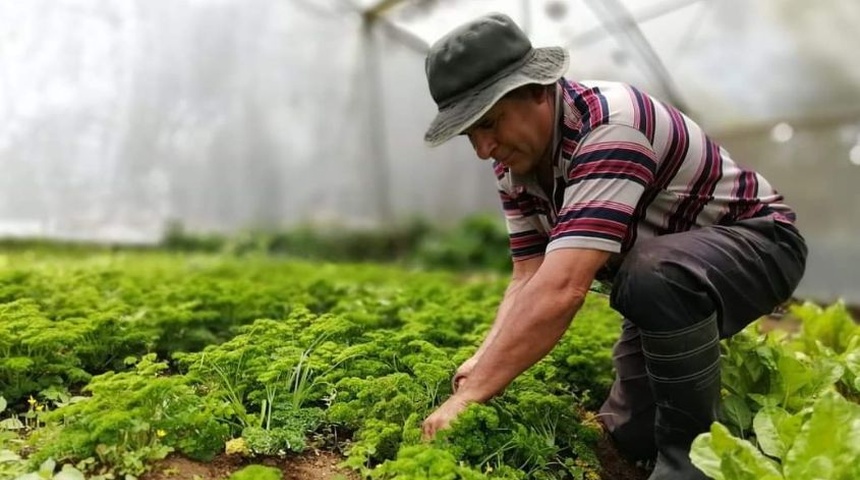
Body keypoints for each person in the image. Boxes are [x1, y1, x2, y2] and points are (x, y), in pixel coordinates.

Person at [418, 12, 807, 480]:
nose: (484, 148)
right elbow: (529, 274)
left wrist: (469, 396)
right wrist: (485, 355)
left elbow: (563, 287)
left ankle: (692, 465)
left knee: (650, 275)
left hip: (760, 244)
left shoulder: (611, 126)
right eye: (471, 134)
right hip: (661, 274)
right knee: (628, 432)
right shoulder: (515, 164)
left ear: (538, 90)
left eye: (491, 123)